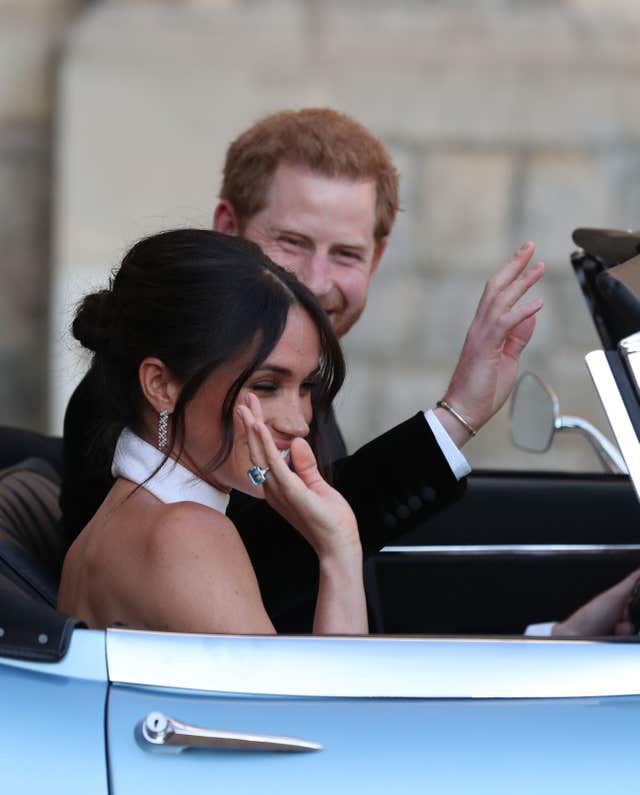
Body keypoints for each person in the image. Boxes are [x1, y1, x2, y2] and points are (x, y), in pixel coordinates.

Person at [61, 108, 545, 630]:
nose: (313, 281)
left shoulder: (153, 494)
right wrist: (337, 547)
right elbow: (305, 683)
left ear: (376, 259)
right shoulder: (176, 510)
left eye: (345, 254)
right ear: (159, 385)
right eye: (291, 243)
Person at [58, 229, 368, 634]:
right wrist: (339, 554)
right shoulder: (187, 534)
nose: (298, 423)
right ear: (161, 386)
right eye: (266, 386)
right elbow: (326, 701)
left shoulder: (115, 523)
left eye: (306, 387)